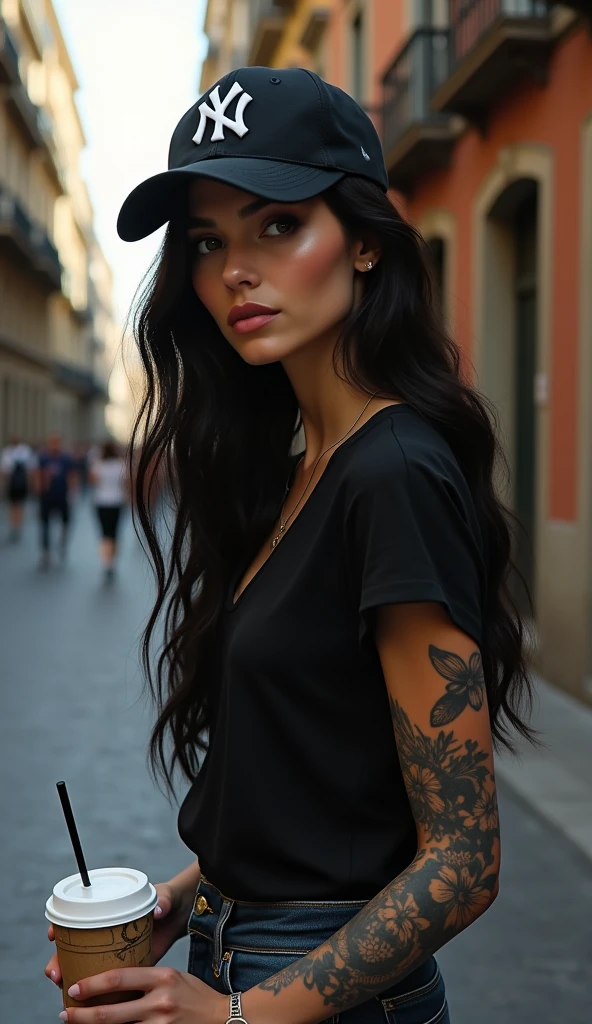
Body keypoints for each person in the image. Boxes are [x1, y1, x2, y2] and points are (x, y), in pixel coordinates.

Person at [45, 67, 539, 1024]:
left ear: (361, 243)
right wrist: (186, 895)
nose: (235, 269)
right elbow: (318, 776)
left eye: (276, 224)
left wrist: (240, 1017)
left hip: (319, 991)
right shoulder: (299, 465)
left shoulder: (392, 472)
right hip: (231, 947)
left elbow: (464, 861)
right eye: (207, 241)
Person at [34, 433, 77, 569]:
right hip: (47, 497)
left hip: (62, 496)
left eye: (56, 442)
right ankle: (46, 552)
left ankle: (62, 544)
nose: (54, 445)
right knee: (45, 524)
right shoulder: (43, 457)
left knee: (66, 523)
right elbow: (37, 474)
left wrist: (72, 492)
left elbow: (72, 476)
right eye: (52, 442)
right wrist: (38, 488)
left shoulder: (65, 458)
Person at [89, 440, 128, 581]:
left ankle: (106, 563)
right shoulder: (120, 464)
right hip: (117, 501)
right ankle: (112, 562)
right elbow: (125, 482)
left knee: (105, 533)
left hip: (101, 501)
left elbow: (93, 481)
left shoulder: (98, 464)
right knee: (115, 532)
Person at [0, 436, 35, 542]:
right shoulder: (24, 451)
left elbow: (4, 471)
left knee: (13, 506)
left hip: (13, 484)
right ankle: (17, 525)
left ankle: (15, 525)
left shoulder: (8, 452)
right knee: (18, 506)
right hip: (20, 483)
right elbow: (30, 470)